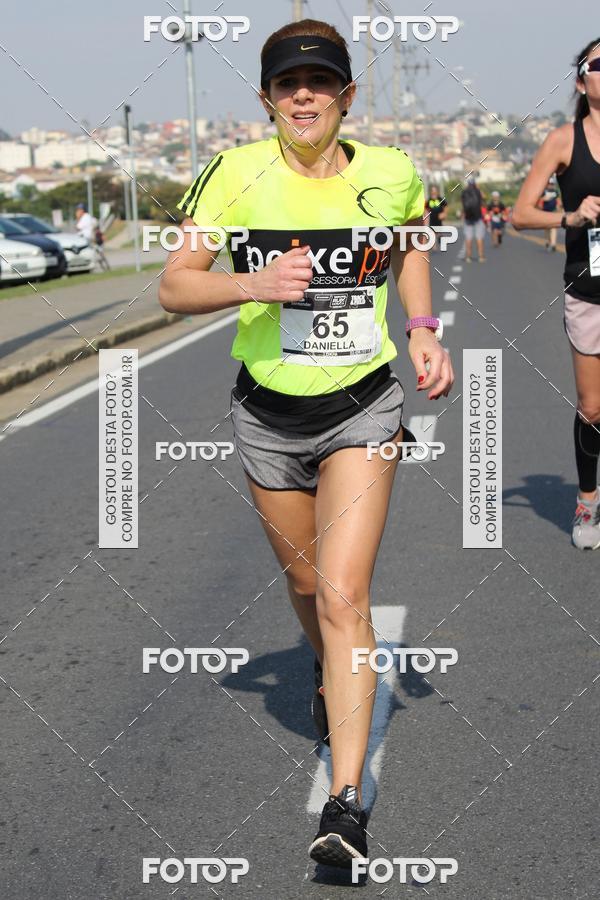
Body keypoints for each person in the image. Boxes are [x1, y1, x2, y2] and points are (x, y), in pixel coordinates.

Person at [159, 18, 454, 866]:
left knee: (343, 594)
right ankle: (333, 673)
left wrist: (423, 329)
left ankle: (346, 804)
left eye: (319, 81)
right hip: (267, 414)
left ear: (346, 95)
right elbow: (173, 287)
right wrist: (252, 283)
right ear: (266, 98)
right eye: (287, 84)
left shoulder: (391, 172)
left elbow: (411, 249)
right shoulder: (234, 173)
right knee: (304, 581)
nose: (303, 96)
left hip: (363, 406)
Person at [513, 37, 600, 550]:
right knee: (593, 408)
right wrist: (572, 216)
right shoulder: (563, 141)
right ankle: (587, 499)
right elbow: (521, 213)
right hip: (589, 290)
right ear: (581, 81)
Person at [75, 203, 109, 270]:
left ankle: (84, 264)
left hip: (85, 239)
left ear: (82, 210)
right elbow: (95, 223)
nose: (77, 211)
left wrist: (78, 218)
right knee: (97, 251)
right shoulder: (89, 216)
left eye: (78, 210)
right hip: (90, 238)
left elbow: (78, 227)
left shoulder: (84, 217)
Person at [461, 176, 486, 262]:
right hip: (478, 217)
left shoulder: (464, 192)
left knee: (468, 238)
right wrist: (478, 189)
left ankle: (468, 257)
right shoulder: (478, 191)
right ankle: (481, 256)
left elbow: (463, 204)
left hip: (468, 218)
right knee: (479, 237)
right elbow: (484, 198)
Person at [540, 178, 561, 251]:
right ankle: (547, 241)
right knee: (547, 228)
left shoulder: (555, 192)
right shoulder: (544, 191)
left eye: (552, 184)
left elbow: (558, 200)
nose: (551, 185)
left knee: (553, 227)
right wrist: (545, 199)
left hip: (553, 211)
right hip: (545, 212)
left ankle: (553, 244)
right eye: (550, 184)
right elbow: (540, 199)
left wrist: (559, 206)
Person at [424, 184, 447, 249]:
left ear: (437, 192)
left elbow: (445, 206)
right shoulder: (429, 200)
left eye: (435, 191)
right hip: (432, 218)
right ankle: (434, 246)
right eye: (432, 191)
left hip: (439, 218)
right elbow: (426, 208)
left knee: (439, 233)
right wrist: (426, 217)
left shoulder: (440, 199)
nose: (434, 192)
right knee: (433, 232)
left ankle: (440, 238)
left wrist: (444, 214)